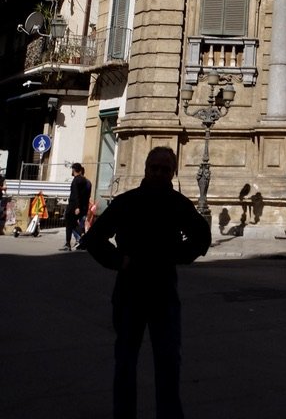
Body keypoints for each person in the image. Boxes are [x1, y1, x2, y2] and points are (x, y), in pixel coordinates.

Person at [80, 146, 212, 419]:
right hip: (130, 289)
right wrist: (119, 261)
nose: (160, 173)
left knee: (168, 362)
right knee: (126, 360)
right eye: (155, 168)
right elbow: (94, 239)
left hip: (164, 290)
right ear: (146, 169)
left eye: (166, 170)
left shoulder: (177, 204)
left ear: (173, 173)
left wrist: (179, 255)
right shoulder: (127, 202)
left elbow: (202, 237)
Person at [62, 162, 91, 251]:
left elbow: (75, 194)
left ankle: (68, 243)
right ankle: (82, 237)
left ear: (74, 170)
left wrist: (77, 207)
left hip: (74, 206)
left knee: (69, 223)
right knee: (74, 224)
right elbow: (87, 196)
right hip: (83, 207)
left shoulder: (76, 181)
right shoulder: (87, 182)